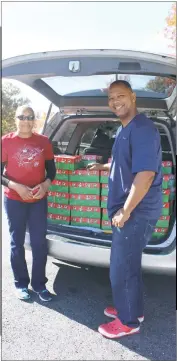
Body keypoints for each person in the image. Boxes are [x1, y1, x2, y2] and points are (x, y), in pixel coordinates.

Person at [88, 80, 162, 339]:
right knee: (129, 264)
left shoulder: (142, 128)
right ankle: (132, 309)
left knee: (121, 267)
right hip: (131, 211)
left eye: (120, 96)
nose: (115, 101)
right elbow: (126, 164)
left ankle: (128, 321)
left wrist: (126, 211)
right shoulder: (124, 129)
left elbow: (146, 174)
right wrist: (103, 168)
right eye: (111, 98)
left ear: (132, 97)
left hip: (136, 212)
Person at [1, 105, 56, 302]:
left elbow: (52, 170)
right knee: (17, 243)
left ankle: (40, 285)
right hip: (14, 200)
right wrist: (16, 186)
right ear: (15, 119)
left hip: (38, 201)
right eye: (21, 117)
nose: (25, 120)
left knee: (39, 243)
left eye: (29, 117)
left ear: (34, 120)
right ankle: (21, 284)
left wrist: (46, 184)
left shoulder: (44, 142)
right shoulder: (5, 142)